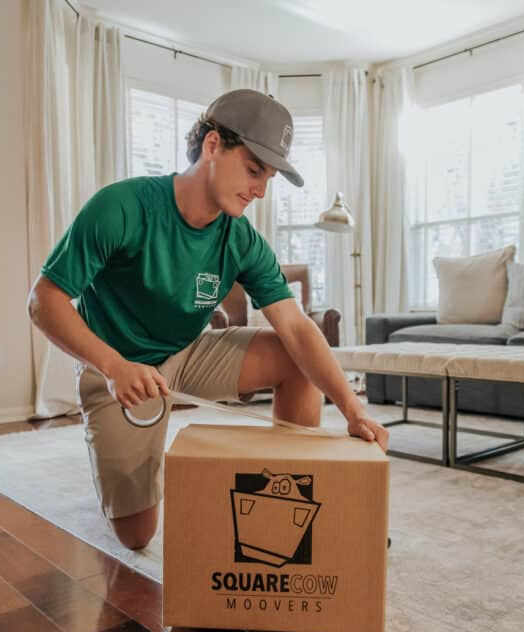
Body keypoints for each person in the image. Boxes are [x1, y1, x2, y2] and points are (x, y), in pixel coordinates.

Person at [27, 89, 389, 550]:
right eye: (254, 170)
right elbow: (44, 301)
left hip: (188, 353)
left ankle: (285, 497)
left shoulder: (241, 238)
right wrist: (113, 366)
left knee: (294, 357)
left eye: (269, 178)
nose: (260, 190)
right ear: (213, 145)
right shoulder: (121, 207)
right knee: (136, 536)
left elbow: (297, 327)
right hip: (117, 366)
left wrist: (354, 412)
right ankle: (120, 460)